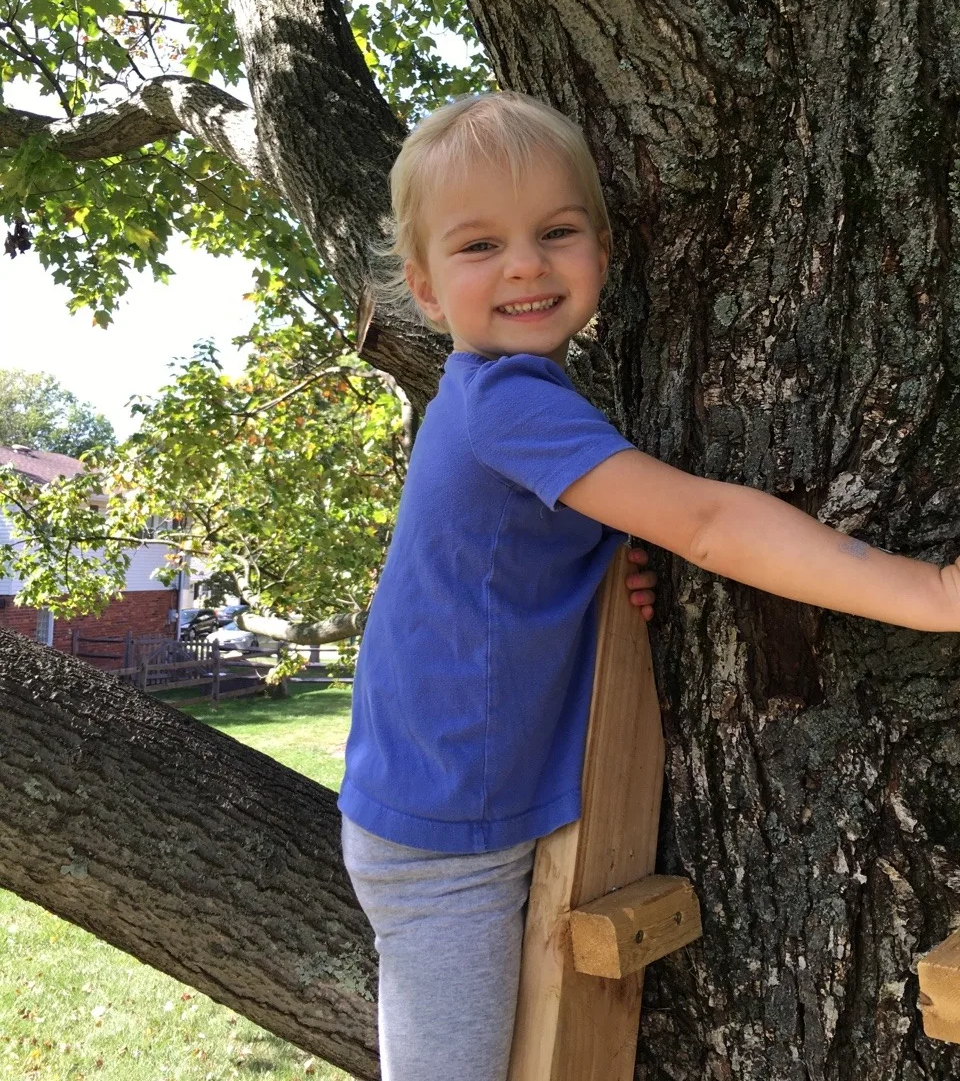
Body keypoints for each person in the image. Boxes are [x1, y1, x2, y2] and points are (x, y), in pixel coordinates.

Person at [337, 91, 960, 1081]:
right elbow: (710, 522)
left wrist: (594, 560)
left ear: (603, 247)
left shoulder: (516, 398)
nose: (526, 264)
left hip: (465, 800)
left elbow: (496, 564)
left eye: (556, 231)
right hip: (443, 834)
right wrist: (932, 593)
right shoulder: (503, 402)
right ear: (420, 286)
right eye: (479, 245)